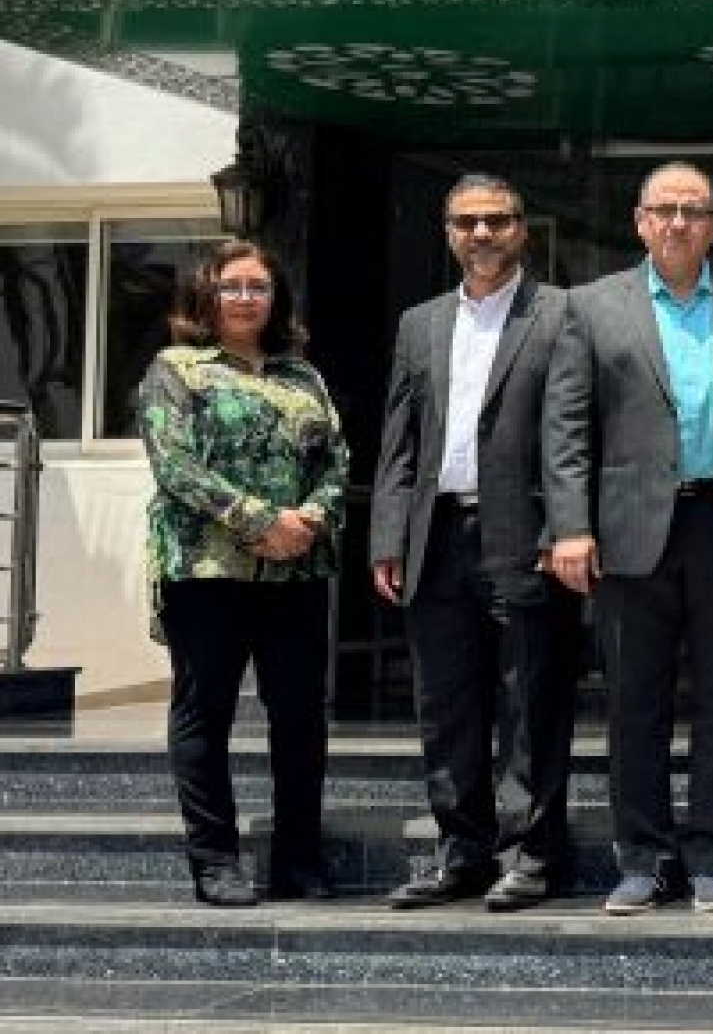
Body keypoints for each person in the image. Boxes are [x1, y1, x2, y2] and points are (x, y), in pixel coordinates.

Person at [542, 162, 713, 915]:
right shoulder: (591, 306)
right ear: (641, 222)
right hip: (627, 530)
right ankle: (641, 860)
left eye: (694, 211)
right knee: (633, 702)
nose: (679, 222)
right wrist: (570, 526)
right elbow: (566, 427)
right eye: (665, 210)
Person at [372, 173, 581, 912]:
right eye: (467, 222)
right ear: (448, 231)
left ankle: (529, 855)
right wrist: (388, 536)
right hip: (435, 538)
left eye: (497, 220)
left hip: (523, 535)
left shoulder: (560, 314)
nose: (482, 233)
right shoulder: (420, 323)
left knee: (531, 702)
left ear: (521, 228)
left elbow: (570, 434)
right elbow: (399, 440)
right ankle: (460, 852)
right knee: (446, 704)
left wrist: (566, 528)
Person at [136, 239, 348, 907]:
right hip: (206, 570)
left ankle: (298, 859)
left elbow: (336, 460)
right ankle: (215, 861)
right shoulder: (177, 369)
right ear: (207, 293)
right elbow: (175, 465)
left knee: (300, 716)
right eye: (233, 286)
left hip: (297, 571)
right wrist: (260, 521)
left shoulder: (302, 375)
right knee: (205, 713)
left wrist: (310, 518)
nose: (247, 298)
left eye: (259, 287)